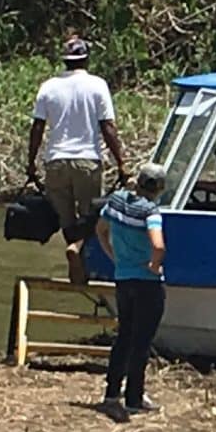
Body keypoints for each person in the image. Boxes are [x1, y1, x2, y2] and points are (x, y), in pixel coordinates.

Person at [26, 39, 126, 281]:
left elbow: (37, 127)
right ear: (86, 59)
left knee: (67, 220)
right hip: (86, 161)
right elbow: (108, 127)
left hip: (56, 162)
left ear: (64, 61)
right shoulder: (97, 85)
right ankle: (78, 251)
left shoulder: (48, 87)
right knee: (92, 218)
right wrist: (121, 162)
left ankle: (77, 267)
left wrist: (31, 162)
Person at [98, 164, 167, 422]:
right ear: (159, 189)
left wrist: (114, 257)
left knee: (124, 336)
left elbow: (100, 230)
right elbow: (158, 246)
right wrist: (154, 265)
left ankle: (111, 393)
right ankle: (135, 398)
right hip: (147, 282)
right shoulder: (151, 212)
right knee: (142, 341)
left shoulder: (116, 202)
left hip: (123, 278)